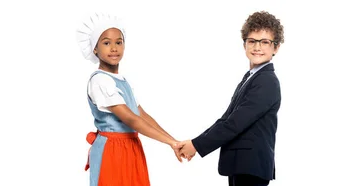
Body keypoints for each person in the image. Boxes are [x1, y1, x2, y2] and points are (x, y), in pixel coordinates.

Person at [177, 11, 284, 186]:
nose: (257, 47)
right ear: (245, 45)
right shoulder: (251, 77)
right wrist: (195, 142)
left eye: (265, 42)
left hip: (252, 166)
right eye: (252, 41)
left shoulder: (267, 81)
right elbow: (226, 118)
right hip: (241, 165)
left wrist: (196, 145)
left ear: (276, 47)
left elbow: (234, 123)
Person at [76, 12, 182, 186]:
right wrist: (170, 142)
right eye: (106, 43)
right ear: (95, 48)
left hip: (131, 145)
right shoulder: (100, 80)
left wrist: (174, 141)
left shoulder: (123, 81)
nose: (114, 48)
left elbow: (140, 113)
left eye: (119, 42)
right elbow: (131, 119)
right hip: (112, 149)